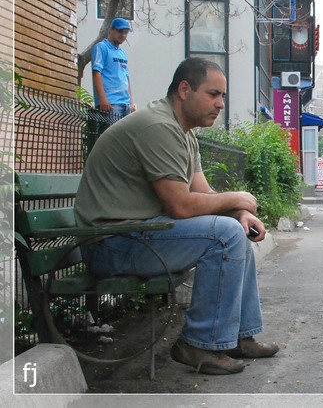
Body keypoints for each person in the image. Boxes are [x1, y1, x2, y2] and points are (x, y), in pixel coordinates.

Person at [75, 57, 279, 375]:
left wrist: (239, 212)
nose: (220, 104)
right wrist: (239, 197)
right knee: (224, 235)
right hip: (110, 243)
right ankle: (199, 344)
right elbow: (181, 206)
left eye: (222, 96)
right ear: (185, 90)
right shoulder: (158, 127)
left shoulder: (183, 131)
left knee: (234, 229)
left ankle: (238, 336)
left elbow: (204, 194)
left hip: (136, 234)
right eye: (213, 94)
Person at [91, 17, 136, 125]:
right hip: (111, 104)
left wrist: (130, 103)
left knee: (123, 140)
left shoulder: (122, 53)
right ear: (111, 30)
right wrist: (102, 98)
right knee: (111, 139)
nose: (123, 35)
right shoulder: (101, 47)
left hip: (125, 104)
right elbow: (96, 73)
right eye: (120, 31)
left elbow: (126, 78)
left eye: (126, 32)